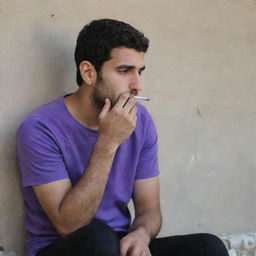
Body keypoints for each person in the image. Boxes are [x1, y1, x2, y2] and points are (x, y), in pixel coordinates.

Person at [16, 19, 229, 256]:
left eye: (140, 72)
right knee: (98, 237)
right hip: (65, 247)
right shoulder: (40, 128)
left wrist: (141, 234)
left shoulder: (141, 120)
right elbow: (70, 226)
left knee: (207, 246)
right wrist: (108, 142)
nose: (138, 84)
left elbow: (149, 210)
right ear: (88, 72)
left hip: (117, 245)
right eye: (124, 71)